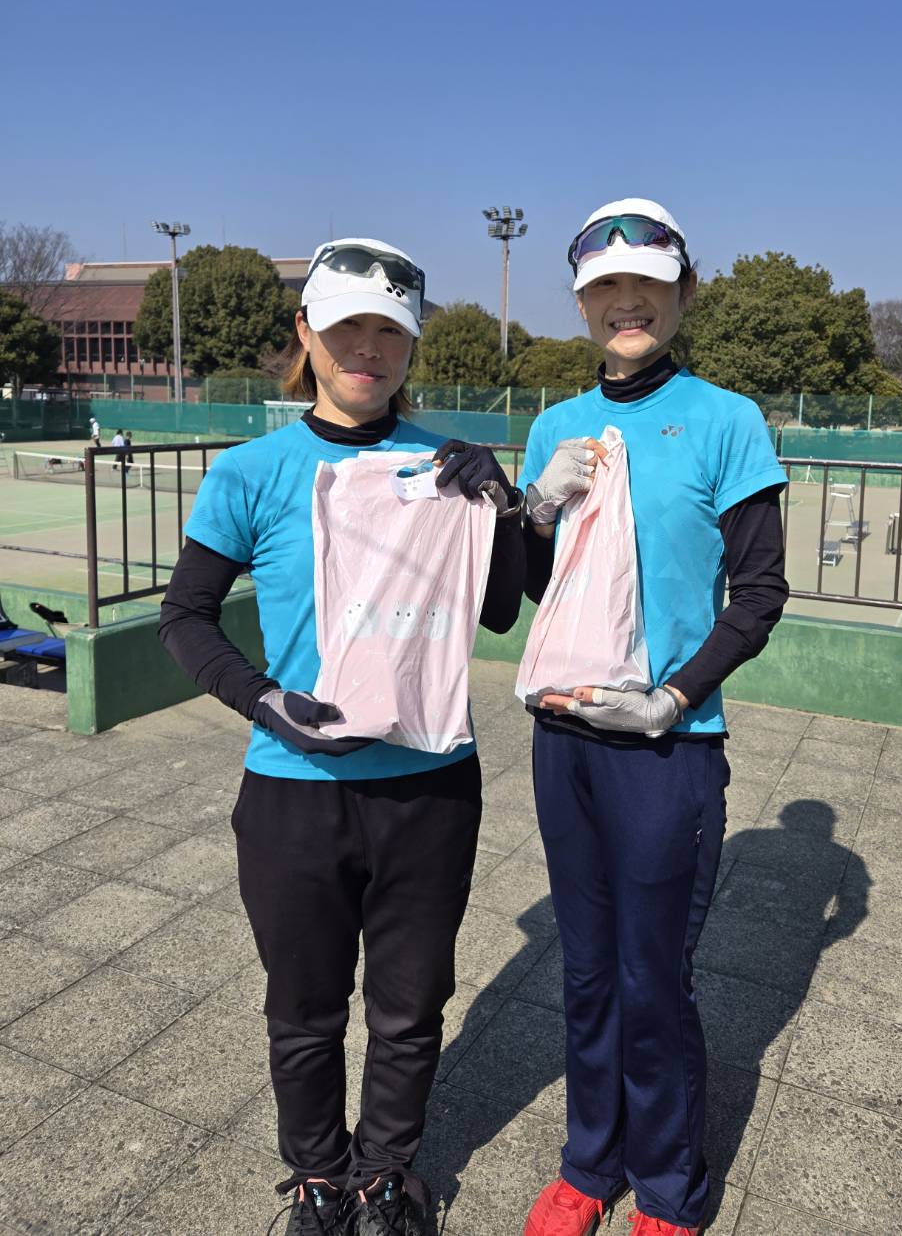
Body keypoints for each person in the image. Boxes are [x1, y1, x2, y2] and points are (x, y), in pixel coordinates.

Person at [158, 238, 525, 1236]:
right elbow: (185, 616)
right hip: (292, 790)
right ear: (306, 332)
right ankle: (319, 1178)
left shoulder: (447, 467)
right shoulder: (252, 471)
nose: (369, 348)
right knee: (304, 1010)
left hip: (430, 785)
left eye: (389, 331)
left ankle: (386, 1175)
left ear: (411, 344)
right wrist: (260, 698)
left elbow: (499, 611)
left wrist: (500, 507)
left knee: (409, 1008)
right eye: (348, 326)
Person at [519, 199, 790, 1236]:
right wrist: (534, 507)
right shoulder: (553, 425)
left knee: (652, 976)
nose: (625, 304)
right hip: (564, 736)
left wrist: (675, 697)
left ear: (683, 292)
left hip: (667, 746)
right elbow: (528, 586)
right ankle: (589, 1163)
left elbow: (757, 594)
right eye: (605, 289)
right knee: (586, 969)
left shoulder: (726, 419)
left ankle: (670, 1183)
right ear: (583, 303)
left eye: (646, 285)